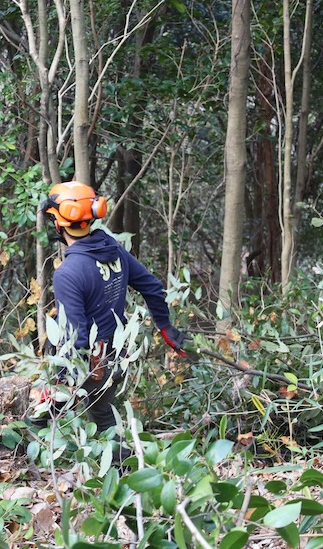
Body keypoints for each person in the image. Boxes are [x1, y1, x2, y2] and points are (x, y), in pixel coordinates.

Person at [40, 180, 188, 453]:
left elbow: (76, 338)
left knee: (42, 415)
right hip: (116, 356)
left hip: (91, 363)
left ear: (58, 224)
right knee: (102, 417)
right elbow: (153, 287)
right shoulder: (113, 249)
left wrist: (61, 382)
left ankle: (128, 469)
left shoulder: (67, 274)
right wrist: (165, 326)